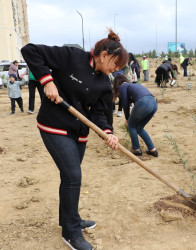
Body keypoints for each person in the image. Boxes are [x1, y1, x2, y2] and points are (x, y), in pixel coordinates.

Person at [21, 29, 127, 250]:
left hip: (79, 133)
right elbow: (30, 51)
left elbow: (100, 114)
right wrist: (47, 80)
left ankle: (70, 219)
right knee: (73, 176)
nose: (116, 69)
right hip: (54, 125)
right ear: (104, 54)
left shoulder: (104, 83)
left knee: (70, 177)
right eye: (116, 64)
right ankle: (71, 233)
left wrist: (107, 132)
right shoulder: (72, 56)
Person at [113, 74, 158, 157]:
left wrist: (127, 118)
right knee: (139, 127)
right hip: (154, 103)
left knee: (131, 125)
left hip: (143, 102)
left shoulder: (123, 86)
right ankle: (152, 149)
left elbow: (125, 104)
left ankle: (136, 149)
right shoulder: (133, 85)